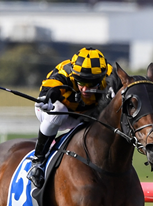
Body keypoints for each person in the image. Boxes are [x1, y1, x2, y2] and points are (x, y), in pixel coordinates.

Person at [27, 47, 113, 188]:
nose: (85, 89)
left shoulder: (111, 75)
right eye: (81, 82)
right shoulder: (63, 74)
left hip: (83, 116)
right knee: (59, 110)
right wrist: (46, 100)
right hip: (56, 114)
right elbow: (48, 89)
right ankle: (37, 163)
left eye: (90, 84)